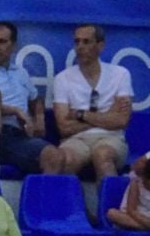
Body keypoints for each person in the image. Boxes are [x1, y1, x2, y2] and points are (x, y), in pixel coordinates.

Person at [0, 21, 63, 176]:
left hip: (15, 137)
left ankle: (40, 199)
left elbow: (36, 100)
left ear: (13, 45)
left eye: (1, 41)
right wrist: (15, 111)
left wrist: (39, 118)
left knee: (54, 157)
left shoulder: (20, 73)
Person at [52, 23, 134, 180]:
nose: (80, 47)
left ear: (100, 45)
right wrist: (107, 116)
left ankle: (109, 205)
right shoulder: (62, 78)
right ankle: (74, 204)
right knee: (65, 159)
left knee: (103, 155)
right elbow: (63, 128)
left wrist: (80, 114)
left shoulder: (120, 74)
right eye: (77, 42)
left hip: (111, 138)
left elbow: (121, 121)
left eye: (86, 42)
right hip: (76, 139)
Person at [106, 155, 150, 232]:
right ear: (144, 177)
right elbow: (131, 211)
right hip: (133, 216)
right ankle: (144, 228)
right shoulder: (136, 184)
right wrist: (145, 222)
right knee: (112, 213)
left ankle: (144, 228)